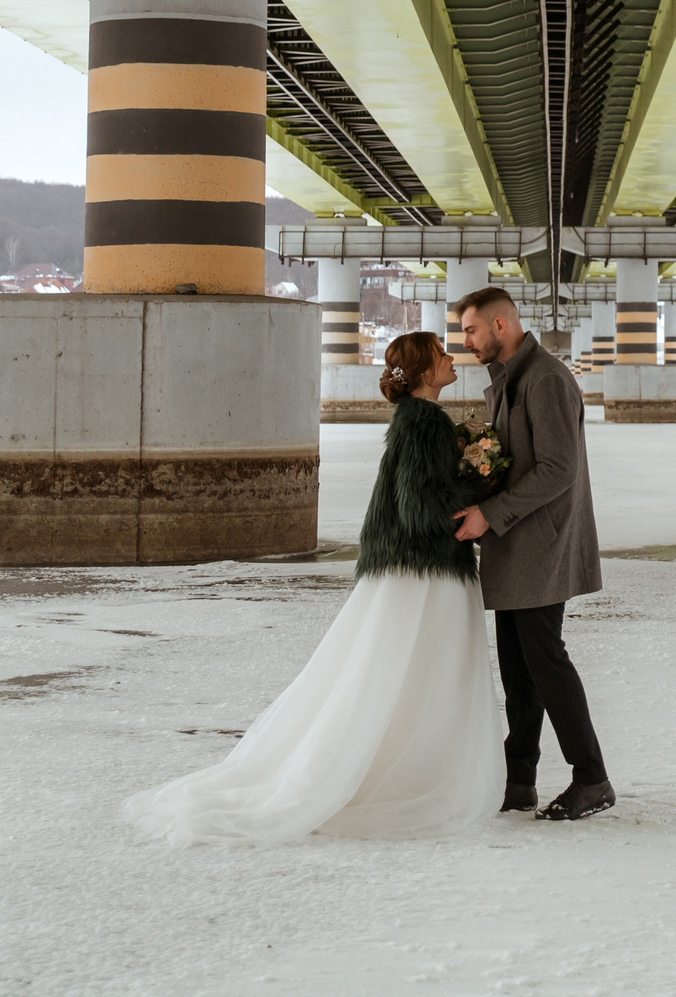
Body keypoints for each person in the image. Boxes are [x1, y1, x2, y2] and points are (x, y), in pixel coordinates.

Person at [121, 332, 504, 844]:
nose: (451, 357)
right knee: (425, 672)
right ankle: (412, 773)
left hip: (406, 568)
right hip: (428, 570)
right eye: (441, 353)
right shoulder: (427, 422)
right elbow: (420, 506)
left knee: (383, 671)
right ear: (424, 370)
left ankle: (374, 764)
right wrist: (484, 486)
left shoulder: (414, 419)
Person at [452, 285, 614, 821]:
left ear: (501, 325)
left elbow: (558, 468)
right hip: (518, 545)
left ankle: (591, 778)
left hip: (539, 545)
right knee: (519, 668)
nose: (466, 340)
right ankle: (518, 778)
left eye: (472, 329)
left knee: (545, 661)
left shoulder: (544, 378)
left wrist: (489, 514)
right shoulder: (506, 381)